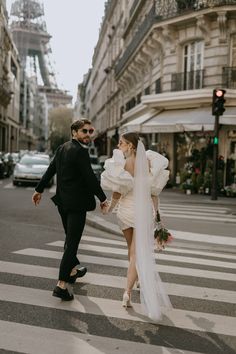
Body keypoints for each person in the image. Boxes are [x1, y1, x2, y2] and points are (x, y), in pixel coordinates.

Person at [32, 119, 108, 301]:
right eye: (84, 131)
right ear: (74, 132)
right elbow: (89, 177)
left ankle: (73, 270)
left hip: (63, 203)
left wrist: (39, 189)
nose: (88, 135)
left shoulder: (62, 148)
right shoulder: (80, 152)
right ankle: (61, 285)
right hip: (77, 205)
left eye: (90, 132)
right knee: (72, 243)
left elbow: (51, 170)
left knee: (70, 239)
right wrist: (103, 198)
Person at [101, 132, 172, 321]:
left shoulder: (124, 165)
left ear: (131, 146)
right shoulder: (148, 163)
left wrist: (109, 208)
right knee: (136, 253)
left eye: (122, 143)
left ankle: (131, 286)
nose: (119, 145)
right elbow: (154, 193)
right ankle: (128, 291)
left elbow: (117, 192)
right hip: (143, 212)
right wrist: (157, 216)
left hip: (125, 211)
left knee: (132, 250)